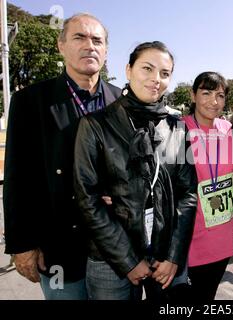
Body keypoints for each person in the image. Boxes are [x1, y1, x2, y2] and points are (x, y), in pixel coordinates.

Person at [3, 13, 121, 300]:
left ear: (105, 51)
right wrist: (22, 244)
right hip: (58, 246)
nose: (89, 46)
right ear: (61, 46)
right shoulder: (31, 101)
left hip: (115, 248)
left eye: (97, 40)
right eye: (79, 38)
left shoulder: (122, 102)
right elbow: (17, 177)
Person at [73, 41, 197, 300]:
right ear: (128, 70)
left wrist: (174, 255)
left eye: (165, 74)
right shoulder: (95, 125)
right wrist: (128, 260)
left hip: (166, 256)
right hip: (111, 258)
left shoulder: (177, 127)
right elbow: (89, 199)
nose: (156, 80)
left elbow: (188, 194)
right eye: (147, 69)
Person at [183, 72, 233, 301]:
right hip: (191, 236)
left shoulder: (229, 129)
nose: (213, 101)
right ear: (193, 95)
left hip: (223, 231)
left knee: (208, 294)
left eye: (220, 95)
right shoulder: (178, 129)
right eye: (206, 93)